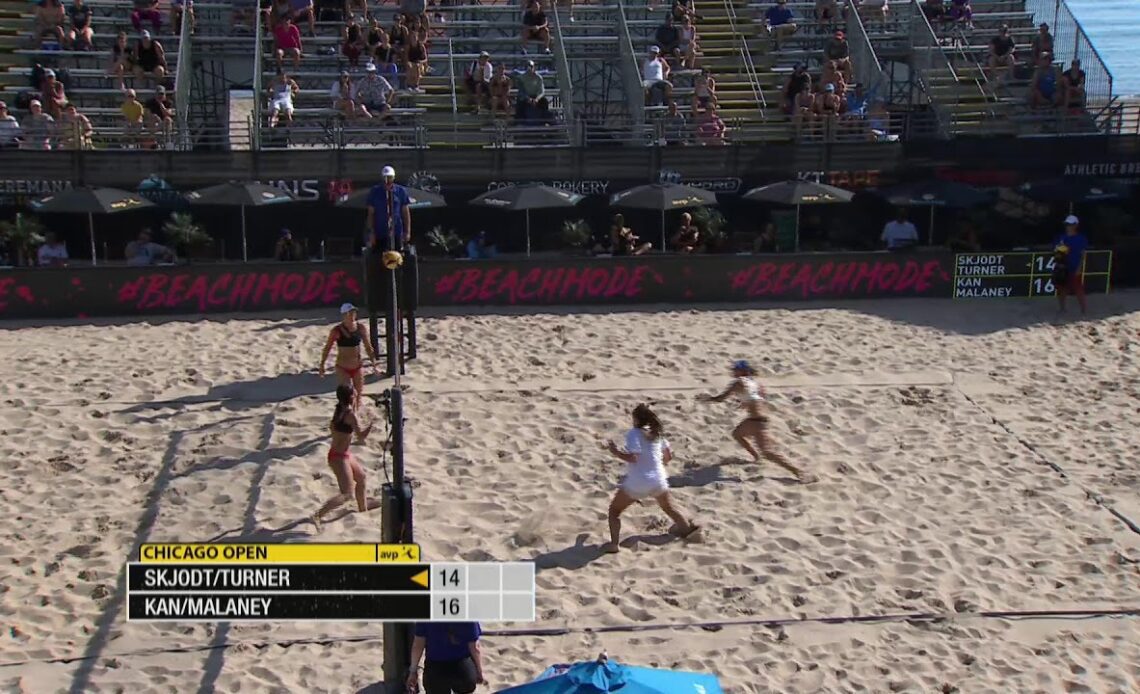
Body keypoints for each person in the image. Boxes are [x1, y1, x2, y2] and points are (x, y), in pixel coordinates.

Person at [600, 404, 699, 554]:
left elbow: (634, 457)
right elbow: (668, 457)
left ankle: (614, 544)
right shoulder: (657, 434)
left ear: (636, 420)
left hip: (638, 482)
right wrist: (658, 465)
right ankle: (690, 534)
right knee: (669, 508)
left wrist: (615, 452)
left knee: (614, 511)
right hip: (658, 479)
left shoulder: (634, 433)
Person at [698, 360, 809, 481]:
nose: (733, 372)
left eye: (736, 370)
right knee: (737, 434)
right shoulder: (756, 384)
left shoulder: (738, 382)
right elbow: (757, 399)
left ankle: (798, 471)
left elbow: (721, 398)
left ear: (743, 371)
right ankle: (756, 457)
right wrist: (744, 403)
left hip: (756, 421)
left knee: (767, 452)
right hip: (758, 419)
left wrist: (708, 399)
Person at [310, 383, 373, 530]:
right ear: (351, 397)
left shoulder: (340, 409)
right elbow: (361, 436)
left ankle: (362, 510)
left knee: (361, 477)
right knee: (346, 494)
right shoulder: (350, 415)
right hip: (338, 457)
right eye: (355, 393)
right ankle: (318, 515)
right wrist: (371, 423)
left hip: (343, 454)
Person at [318, 303, 379, 409]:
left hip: (357, 366)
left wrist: (374, 363)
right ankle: (346, 416)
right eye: (349, 313)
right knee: (347, 395)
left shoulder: (360, 328)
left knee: (358, 395)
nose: (352, 315)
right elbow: (327, 348)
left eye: (353, 312)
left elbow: (368, 346)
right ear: (344, 315)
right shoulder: (337, 330)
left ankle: (355, 416)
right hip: (343, 367)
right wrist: (322, 365)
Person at [406, 622, 486, 694]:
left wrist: (413, 671)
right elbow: (475, 648)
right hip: (462, 668)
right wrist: (479, 671)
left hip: (435, 668)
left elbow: (418, 645)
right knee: (465, 686)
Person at [365, 165, 412, 251]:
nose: (387, 180)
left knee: (397, 256)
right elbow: (371, 214)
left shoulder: (401, 191)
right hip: (380, 231)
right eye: (385, 177)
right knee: (379, 256)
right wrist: (371, 232)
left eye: (389, 177)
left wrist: (407, 232)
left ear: (393, 178)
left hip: (397, 231)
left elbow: (406, 213)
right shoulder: (375, 191)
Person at [1053, 214, 1088, 315]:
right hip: (1063, 267)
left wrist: (1079, 268)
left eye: (1070, 224)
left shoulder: (1081, 238)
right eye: (1067, 224)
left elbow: (1082, 255)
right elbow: (1057, 252)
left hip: (1074, 266)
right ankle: (1062, 308)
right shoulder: (1061, 238)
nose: (1068, 226)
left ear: (1076, 225)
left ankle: (1083, 310)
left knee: (1078, 289)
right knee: (1062, 289)